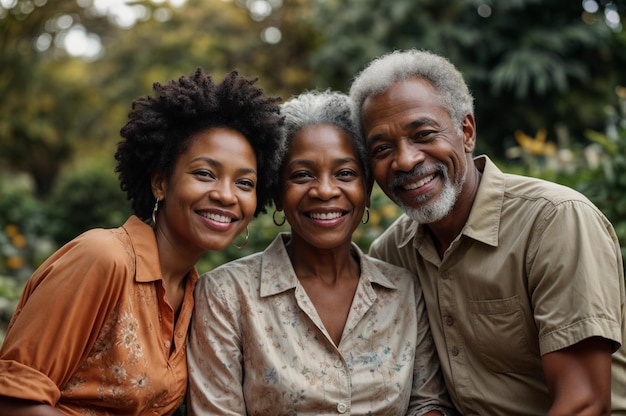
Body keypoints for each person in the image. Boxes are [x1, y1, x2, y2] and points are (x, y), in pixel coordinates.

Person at [348, 48, 626, 415]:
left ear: (466, 131)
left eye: (424, 134)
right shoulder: (391, 254)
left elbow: (585, 403)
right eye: (382, 148)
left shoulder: (554, 222)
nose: (405, 160)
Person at [0, 68, 283, 415]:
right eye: (205, 174)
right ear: (160, 183)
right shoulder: (103, 258)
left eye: (244, 183)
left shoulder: (197, 294)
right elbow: (14, 400)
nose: (226, 195)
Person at [187, 90, 458, 415]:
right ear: (276, 194)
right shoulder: (226, 295)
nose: (326, 191)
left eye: (345, 174)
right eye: (302, 175)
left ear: (367, 189)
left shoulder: (404, 291)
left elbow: (428, 403)